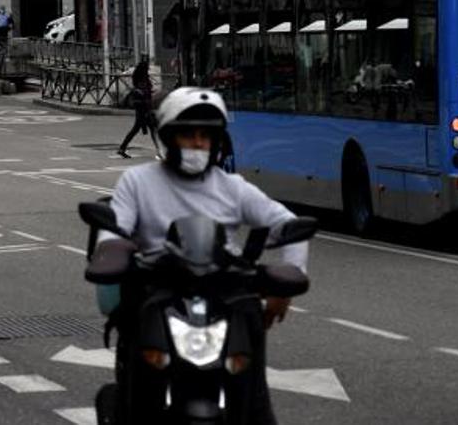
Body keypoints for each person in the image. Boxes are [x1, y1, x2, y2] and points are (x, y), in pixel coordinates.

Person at [95, 87, 308, 425]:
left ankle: (255, 410)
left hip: (225, 294)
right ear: (168, 137)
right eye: (187, 134)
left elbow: (287, 224)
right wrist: (112, 254)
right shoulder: (137, 182)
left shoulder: (232, 186)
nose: (197, 143)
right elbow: (114, 230)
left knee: (251, 336)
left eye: (204, 135)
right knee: (136, 334)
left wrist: (286, 283)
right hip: (160, 292)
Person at [116, 58, 155, 158]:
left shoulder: (141, 79)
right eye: (147, 69)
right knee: (149, 129)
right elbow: (144, 93)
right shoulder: (141, 80)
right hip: (143, 109)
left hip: (143, 108)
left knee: (145, 129)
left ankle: (122, 148)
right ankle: (161, 150)